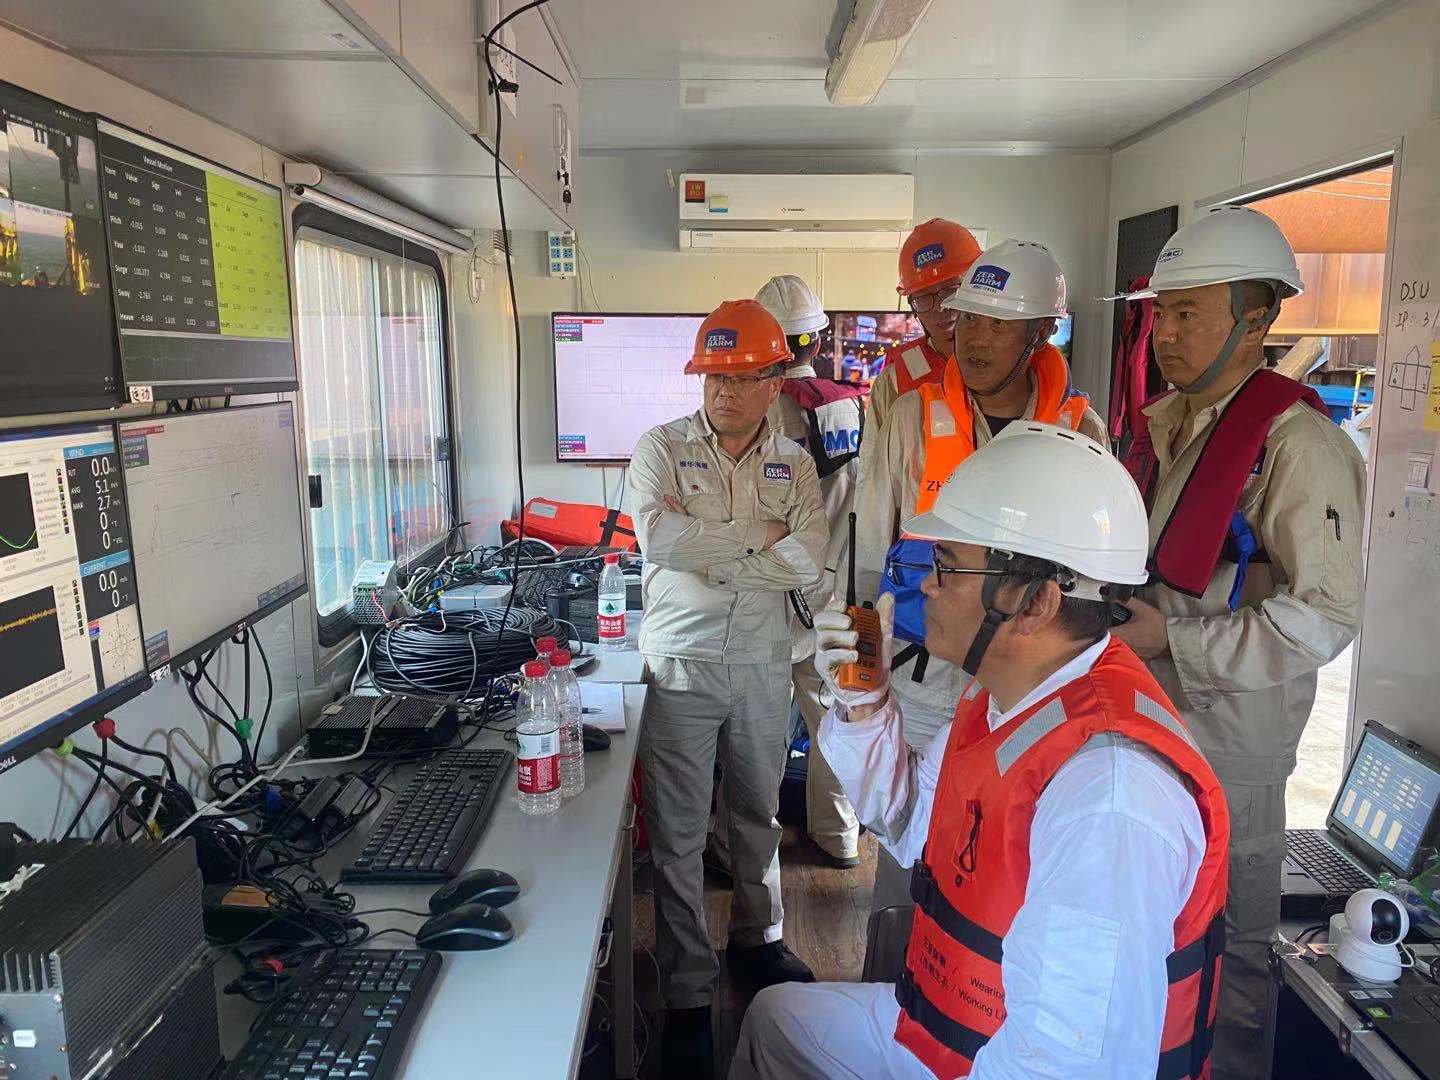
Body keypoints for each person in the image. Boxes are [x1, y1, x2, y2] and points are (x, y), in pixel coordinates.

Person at [730, 422, 1231, 1080]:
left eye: (947, 565)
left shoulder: (1110, 797)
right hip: (959, 1026)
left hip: (1010, 1060)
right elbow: (912, 825)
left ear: (1036, 601)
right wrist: (864, 705)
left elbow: (1066, 1067)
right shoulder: (1004, 699)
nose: (927, 587)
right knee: (775, 1020)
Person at [1109, 205, 1366, 1080]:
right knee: (1145, 939)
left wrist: (1179, 645)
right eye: (1161, 313)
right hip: (1150, 721)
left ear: (1256, 321)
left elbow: (1325, 617)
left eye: (1189, 312)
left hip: (1232, 749)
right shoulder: (1171, 425)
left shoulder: (1299, 446)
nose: (1165, 333)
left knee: (1227, 964)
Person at [851, 238, 1108, 978]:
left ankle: (990, 1011)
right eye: (967, 319)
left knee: (1013, 857)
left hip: (1028, 687)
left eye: (998, 324)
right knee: (908, 856)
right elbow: (867, 553)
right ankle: (893, 1003)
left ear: (1041, 333)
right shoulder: (909, 419)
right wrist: (864, 670)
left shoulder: (1082, 434)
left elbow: (1091, 584)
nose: (975, 339)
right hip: (923, 674)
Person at [626, 298, 829, 1077]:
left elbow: (807, 558)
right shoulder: (661, 448)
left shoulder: (796, 465)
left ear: (776, 380)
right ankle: (686, 989)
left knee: (756, 811)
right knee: (677, 832)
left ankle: (759, 939)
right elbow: (658, 538)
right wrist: (759, 539)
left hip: (761, 660)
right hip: (680, 661)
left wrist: (710, 548)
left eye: (743, 378)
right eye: (715, 376)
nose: (725, 392)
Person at [751, 272, 866, 868]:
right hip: (837, 593)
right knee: (833, 720)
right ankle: (839, 834)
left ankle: (750, 847)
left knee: (762, 727)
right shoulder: (853, 405)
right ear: (816, 341)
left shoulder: (761, 416)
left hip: (774, 598)